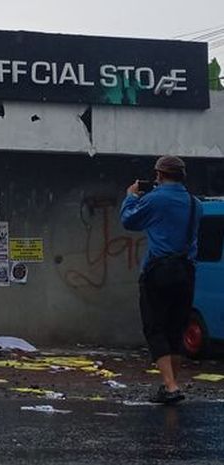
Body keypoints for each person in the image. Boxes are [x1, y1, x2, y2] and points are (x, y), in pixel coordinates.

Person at [120, 155, 203, 404]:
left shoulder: (156, 199)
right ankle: (170, 386)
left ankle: (171, 385)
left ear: (159, 175)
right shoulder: (195, 203)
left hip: (159, 271)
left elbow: (128, 220)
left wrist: (131, 196)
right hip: (186, 271)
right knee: (175, 329)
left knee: (154, 327)